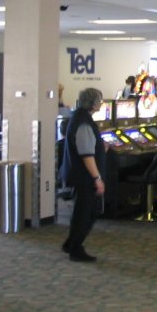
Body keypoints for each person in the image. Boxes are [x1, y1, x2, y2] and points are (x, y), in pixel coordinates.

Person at [60, 88, 105, 262]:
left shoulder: (79, 118)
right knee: (86, 213)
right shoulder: (84, 123)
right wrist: (97, 179)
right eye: (99, 101)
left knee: (83, 211)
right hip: (84, 177)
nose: (101, 104)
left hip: (80, 175)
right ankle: (75, 248)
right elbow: (86, 154)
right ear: (93, 104)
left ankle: (71, 243)